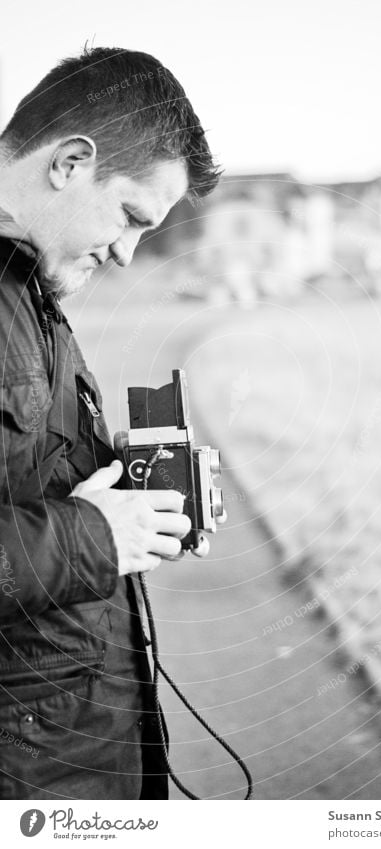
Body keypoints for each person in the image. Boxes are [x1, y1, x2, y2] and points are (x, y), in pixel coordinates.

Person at [0, 46, 220, 799]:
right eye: (129, 216)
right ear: (68, 162)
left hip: (74, 751)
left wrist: (131, 494)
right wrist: (96, 535)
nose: (128, 254)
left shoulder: (28, 288)